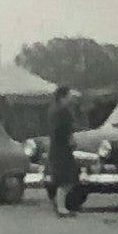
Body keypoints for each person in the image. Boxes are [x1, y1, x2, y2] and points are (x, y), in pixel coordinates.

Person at [46, 85, 79, 217]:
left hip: (55, 148)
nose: (71, 97)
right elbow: (65, 131)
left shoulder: (53, 110)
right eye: (69, 95)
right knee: (66, 178)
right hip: (62, 149)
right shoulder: (63, 112)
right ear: (63, 96)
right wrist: (71, 141)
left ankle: (59, 204)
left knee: (63, 178)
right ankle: (61, 208)